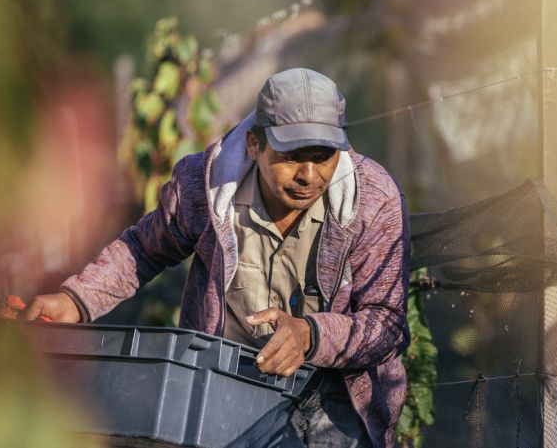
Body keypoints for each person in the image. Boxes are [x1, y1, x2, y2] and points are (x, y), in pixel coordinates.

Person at [25, 68, 411, 448]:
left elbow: (387, 324)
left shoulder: (373, 202)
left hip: (333, 399)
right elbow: (144, 249)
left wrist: (310, 335)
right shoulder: (205, 187)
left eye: (323, 156)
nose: (309, 175)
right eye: (292, 156)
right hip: (222, 386)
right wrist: (76, 300)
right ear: (254, 144)